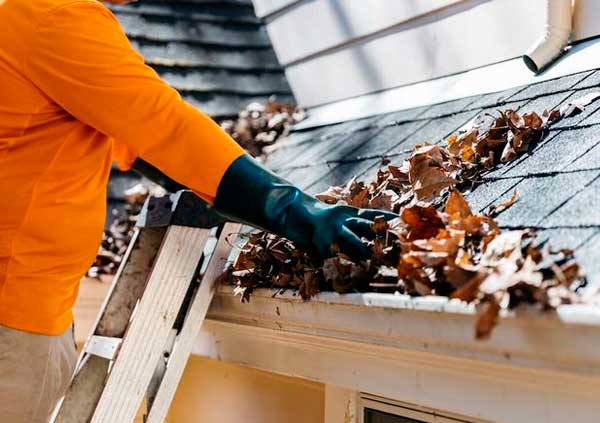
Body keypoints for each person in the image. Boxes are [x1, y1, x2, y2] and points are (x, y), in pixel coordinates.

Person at [0, 0, 395, 421]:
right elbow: (164, 128)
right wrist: (293, 208)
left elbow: (130, 136)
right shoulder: (53, 14)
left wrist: (221, 192)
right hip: (14, 320)